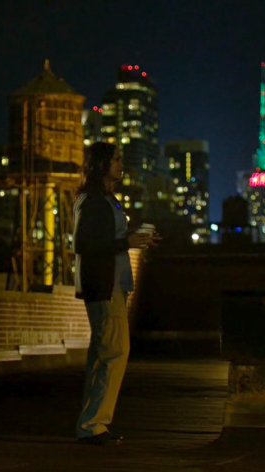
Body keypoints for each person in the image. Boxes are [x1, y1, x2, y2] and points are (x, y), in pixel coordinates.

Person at [73, 142, 157, 445]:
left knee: (104, 354)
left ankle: (91, 423)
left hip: (110, 284)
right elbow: (84, 244)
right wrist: (127, 242)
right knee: (114, 353)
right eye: (116, 159)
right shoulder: (94, 201)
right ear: (102, 165)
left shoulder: (105, 199)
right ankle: (94, 424)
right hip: (104, 286)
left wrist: (132, 238)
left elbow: (103, 239)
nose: (121, 164)